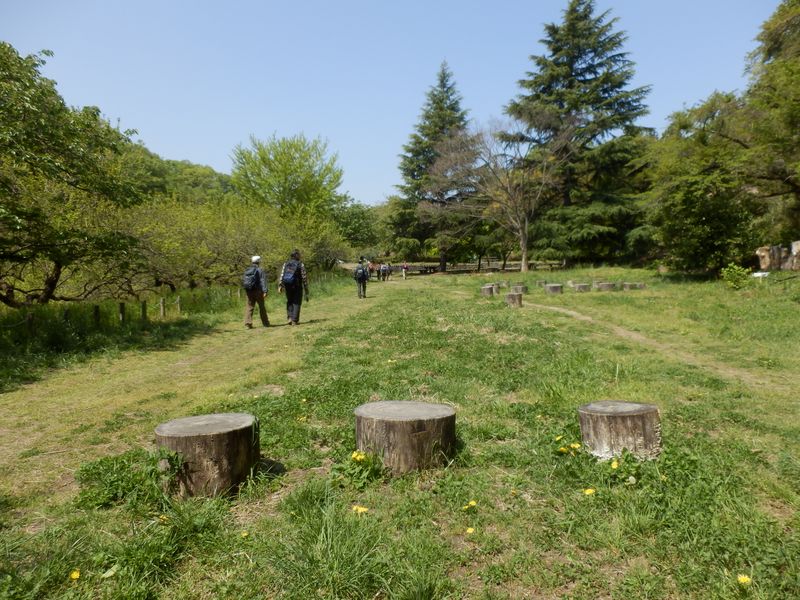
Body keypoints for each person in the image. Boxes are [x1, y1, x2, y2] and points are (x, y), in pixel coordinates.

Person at [278, 249, 309, 325]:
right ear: (296, 256)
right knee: (297, 302)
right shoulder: (300, 264)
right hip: (297, 285)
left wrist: (280, 285)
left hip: (287, 285)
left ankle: (289, 317)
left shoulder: (286, 264)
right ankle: (294, 320)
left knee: (289, 301)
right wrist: (306, 288)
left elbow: (282, 275)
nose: (300, 256)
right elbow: (304, 277)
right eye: (299, 255)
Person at [242, 255, 269, 329]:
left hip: (249, 291)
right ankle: (265, 323)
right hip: (258, 291)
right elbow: (263, 280)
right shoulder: (260, 270)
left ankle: (248, 324)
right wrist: (265, 291)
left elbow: (244, 280)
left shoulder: (247, 269)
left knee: (249, 307)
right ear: (258, 262)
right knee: (261, 307)